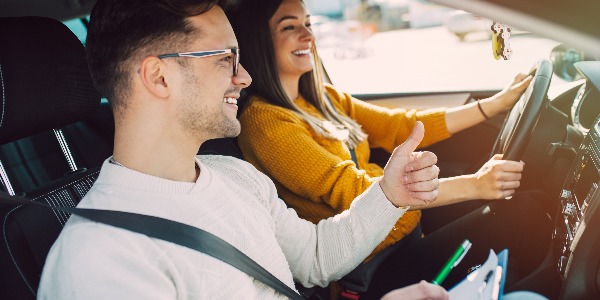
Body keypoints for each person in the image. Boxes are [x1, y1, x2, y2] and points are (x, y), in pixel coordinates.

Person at [37, 0, 444, 299]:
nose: (245, 77)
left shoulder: (236, 176)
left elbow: (317, 258)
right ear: (159, 77)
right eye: (226, 60)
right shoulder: (98, 262)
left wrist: (390, 195)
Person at [229, 0, 553, 297]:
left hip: (406, 234)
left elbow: (399, 126)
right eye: (289, 26)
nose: (307, 35)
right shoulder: (265, 122)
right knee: (527, 211)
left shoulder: (322, 98)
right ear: (259, 41)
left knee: (526, 207)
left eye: (309, 24)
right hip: (373, 270)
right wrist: (477, 183)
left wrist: (496, 104)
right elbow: (356, 191)